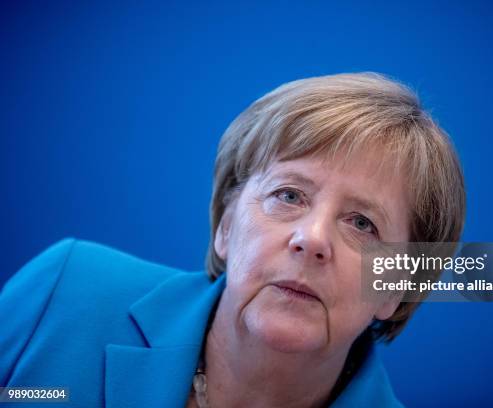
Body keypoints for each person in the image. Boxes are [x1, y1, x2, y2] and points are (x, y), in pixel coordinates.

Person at [0, 73, 465, 407]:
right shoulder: (64, 291)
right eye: (288, 195)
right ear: (225, 224)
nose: (312, 239)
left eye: (363, 224)